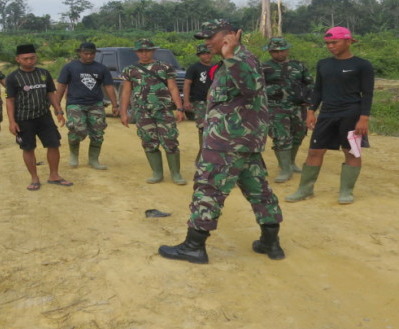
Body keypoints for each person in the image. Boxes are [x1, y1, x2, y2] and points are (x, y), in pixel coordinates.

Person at [158, 19, 285, 264]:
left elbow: (250, 87)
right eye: (204, 38)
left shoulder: (242, 59)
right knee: (259, 190)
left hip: (227, 143)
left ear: (232, 35)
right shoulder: (232, 61)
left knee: (208, 189)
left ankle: (194, 246)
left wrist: (230, 54)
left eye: (211, 37)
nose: (207, 42)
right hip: (242, 142)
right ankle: (271, 242)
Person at [286, 27, 374, 204]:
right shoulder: (323, 64)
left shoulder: (362, 65)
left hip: (351, 114)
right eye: (327, 43)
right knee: (314, 151)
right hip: (327, 114)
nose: (330, 46)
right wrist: (311, 111)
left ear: (348, 42)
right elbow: (318, 89)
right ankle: (305, 190)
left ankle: (346, 192)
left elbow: (368, 94)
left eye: (334, 42)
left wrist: (363, 118)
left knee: (352, 152)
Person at [119, 38, 187, 185]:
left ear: (153, 51)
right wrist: (123, 112)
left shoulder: (165, 67)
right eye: (140, 51)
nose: (144, 54)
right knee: (149, 141)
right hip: (143, 112)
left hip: (164, 111)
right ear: (136, 52)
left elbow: (173, 88)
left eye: (147, 50)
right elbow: (126, 92)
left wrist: (179, 108)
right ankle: (157, 173)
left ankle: (176, 174)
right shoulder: (130, 70)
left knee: (170, 141)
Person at [5, 44, 72, 191]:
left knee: (54, 144)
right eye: (25, 59)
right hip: (23, 119)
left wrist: (59, 111)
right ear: (18, 59)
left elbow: (50, 93)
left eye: (32, 58)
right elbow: (10, 100)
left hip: (44, 117)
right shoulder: (12, 78)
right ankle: (34, 178)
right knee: (28, 148)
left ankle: (54, 175)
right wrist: (12, 121)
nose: (29, 61)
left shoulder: (44, 73)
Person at [55, 42, 119, 170]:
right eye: (86, 53)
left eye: (92, 53)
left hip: (95, 104)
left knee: (98, 132)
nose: (89, 56)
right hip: (75, 103)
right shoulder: (70, 67)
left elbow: (109, 86)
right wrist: (58, 108)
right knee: (77, 129)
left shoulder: (101, 68)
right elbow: (61, 87)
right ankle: (73, 154)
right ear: (79, 53)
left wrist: (114, 104)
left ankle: (94, 159)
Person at [261, 37, 315, 182]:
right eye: (274, 51)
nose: (278, 54)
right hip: (275, 107)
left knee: (298, 134)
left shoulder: (299, 66)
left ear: (287, 50)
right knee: (281, 137)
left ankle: (291, 162)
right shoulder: (264, 67)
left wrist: (307, 100)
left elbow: (310, 83)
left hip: (297, 107)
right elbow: (256, 87)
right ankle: (285, 169)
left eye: (282, 51)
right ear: (270, 52)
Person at [183, 43, 213, 159]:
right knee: (203, 127)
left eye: (208, 53)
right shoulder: (194, 68)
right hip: (199, 101)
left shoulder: (216, 67)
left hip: (214, 102)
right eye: (203, 54)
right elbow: (187, 84)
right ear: (199, 55)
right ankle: (203, 154)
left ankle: (209, 154)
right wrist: (186, 101)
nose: (206, 56)